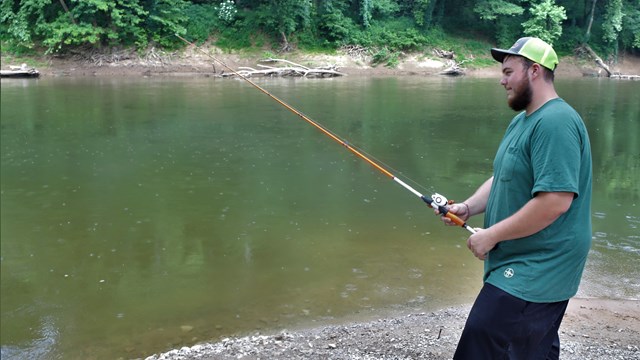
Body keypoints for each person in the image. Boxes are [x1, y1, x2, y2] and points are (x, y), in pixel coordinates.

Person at [440, 37, 593, 359]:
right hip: (520, 258)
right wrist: (468, 207)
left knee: (483, 340)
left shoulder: (556, 121)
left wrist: (490, 236)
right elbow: (504, 176)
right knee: (531, 348)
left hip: (541, 262)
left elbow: (555, 200)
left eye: (509, 71)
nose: (502, 79)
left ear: (534, 71)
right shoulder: (523, 121)